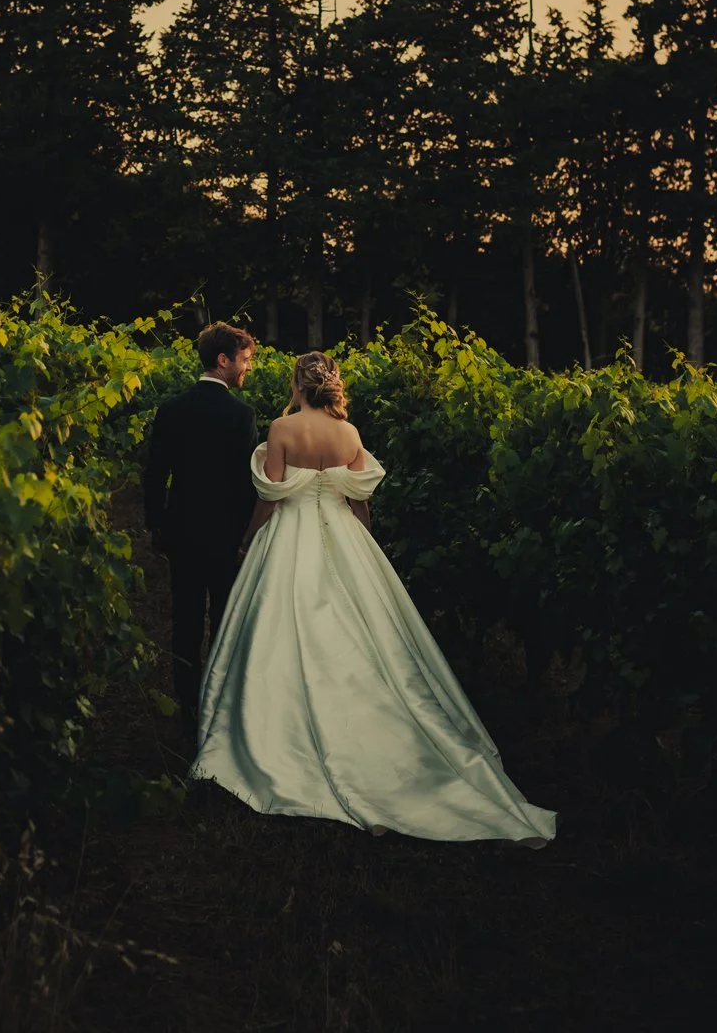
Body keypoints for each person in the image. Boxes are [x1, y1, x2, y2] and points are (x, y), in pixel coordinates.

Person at [190, 351, 557, 846]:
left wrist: (248, 538)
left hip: (289, 536)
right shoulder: (349, 434)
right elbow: (359, 500)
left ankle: (276, 731)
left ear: (297, 385)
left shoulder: (281, 429)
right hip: (340, 531)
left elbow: (271, 497)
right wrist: (364, 545)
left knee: (277, 628)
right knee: (363, 633)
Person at [143, 321, 258, 741]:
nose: (248, 369)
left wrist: (156, 525)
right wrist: (247, 536)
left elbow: (155, 475)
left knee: (186, 622)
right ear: (223, 360)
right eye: (244, 360)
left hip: (184, 534)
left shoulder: (172, 409)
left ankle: (187, 708)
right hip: (227, 538)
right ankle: (221, 706)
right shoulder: (242, 415)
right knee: (226, 620)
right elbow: (248, 486)